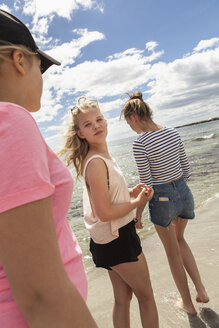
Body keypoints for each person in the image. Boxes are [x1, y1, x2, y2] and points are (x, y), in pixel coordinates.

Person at [0, 9, 97, 327]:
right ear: (19, 60)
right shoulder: (9, 122)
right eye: (40, 67)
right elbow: (41, 296)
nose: (41, 79)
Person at [58, 97, 159, 328]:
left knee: (123, 299)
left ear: (106, 121)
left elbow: (107, 196)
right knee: (146, 296)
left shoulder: (102, 158)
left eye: (99, 119)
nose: (96, 126)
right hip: (118, 239)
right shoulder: (95, 163)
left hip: (108, 241)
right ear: (80, 133)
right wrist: (137, 203)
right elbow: (104, 212)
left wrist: (130, 191)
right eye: (88, 124)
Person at [121, 91, 209, 316]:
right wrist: (178, 189)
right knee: (180, 240)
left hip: (162, 199)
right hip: (183, 192)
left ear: (134, 118)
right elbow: (186, 167)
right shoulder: (172, 131)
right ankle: (201, 289)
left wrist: (137, 214)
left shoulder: (140, 143)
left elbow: (147, 185)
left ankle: (188, 304)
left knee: (172, 253)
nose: (131, 129)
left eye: (129, 124)